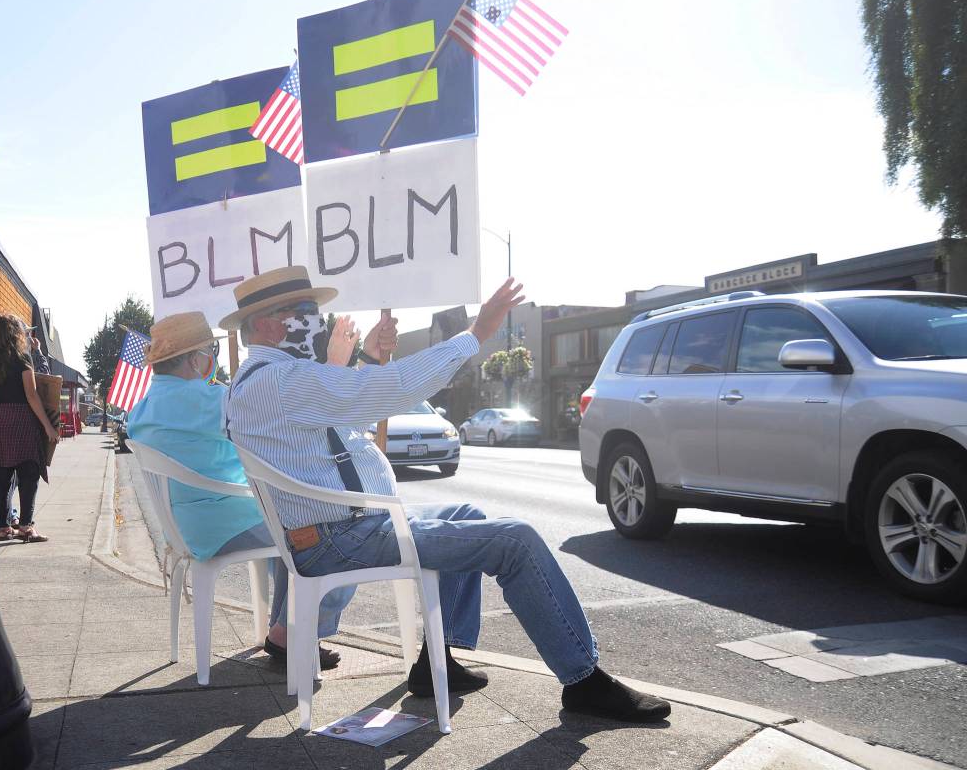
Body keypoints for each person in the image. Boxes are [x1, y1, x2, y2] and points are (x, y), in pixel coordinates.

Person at [222, 266, 672, 723]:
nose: (317, 321)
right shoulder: (280, 381)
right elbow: (389, 391)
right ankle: (584, 679)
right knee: (514, 540)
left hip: (347, 527)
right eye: (304, 312)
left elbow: (343, 420)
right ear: (266, 324)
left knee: (468, 511)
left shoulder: (272, 380)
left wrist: (371, 361)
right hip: (343, 534)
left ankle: (441, 657)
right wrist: (475, 334)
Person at [126, 312, 361, 668]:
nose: (212, 360)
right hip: (221, 520)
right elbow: (278, 423)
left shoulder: (140, 409)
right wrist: (332, 368)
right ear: (194, 358)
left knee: (286, 529)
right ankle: (289, 632)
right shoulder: (211, 400)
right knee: (317, 535)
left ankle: (286, 629)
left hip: (183, 525)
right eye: (210, 351)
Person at [0, 313, 59, 543]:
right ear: (16, 334)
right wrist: (48, 427)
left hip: (1, 421)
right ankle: (25, 526)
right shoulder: (23, 359)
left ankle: (4, 528)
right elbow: (32, 397)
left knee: (1, 476)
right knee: (29, 474)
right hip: (23, 421)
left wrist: (1, 396)